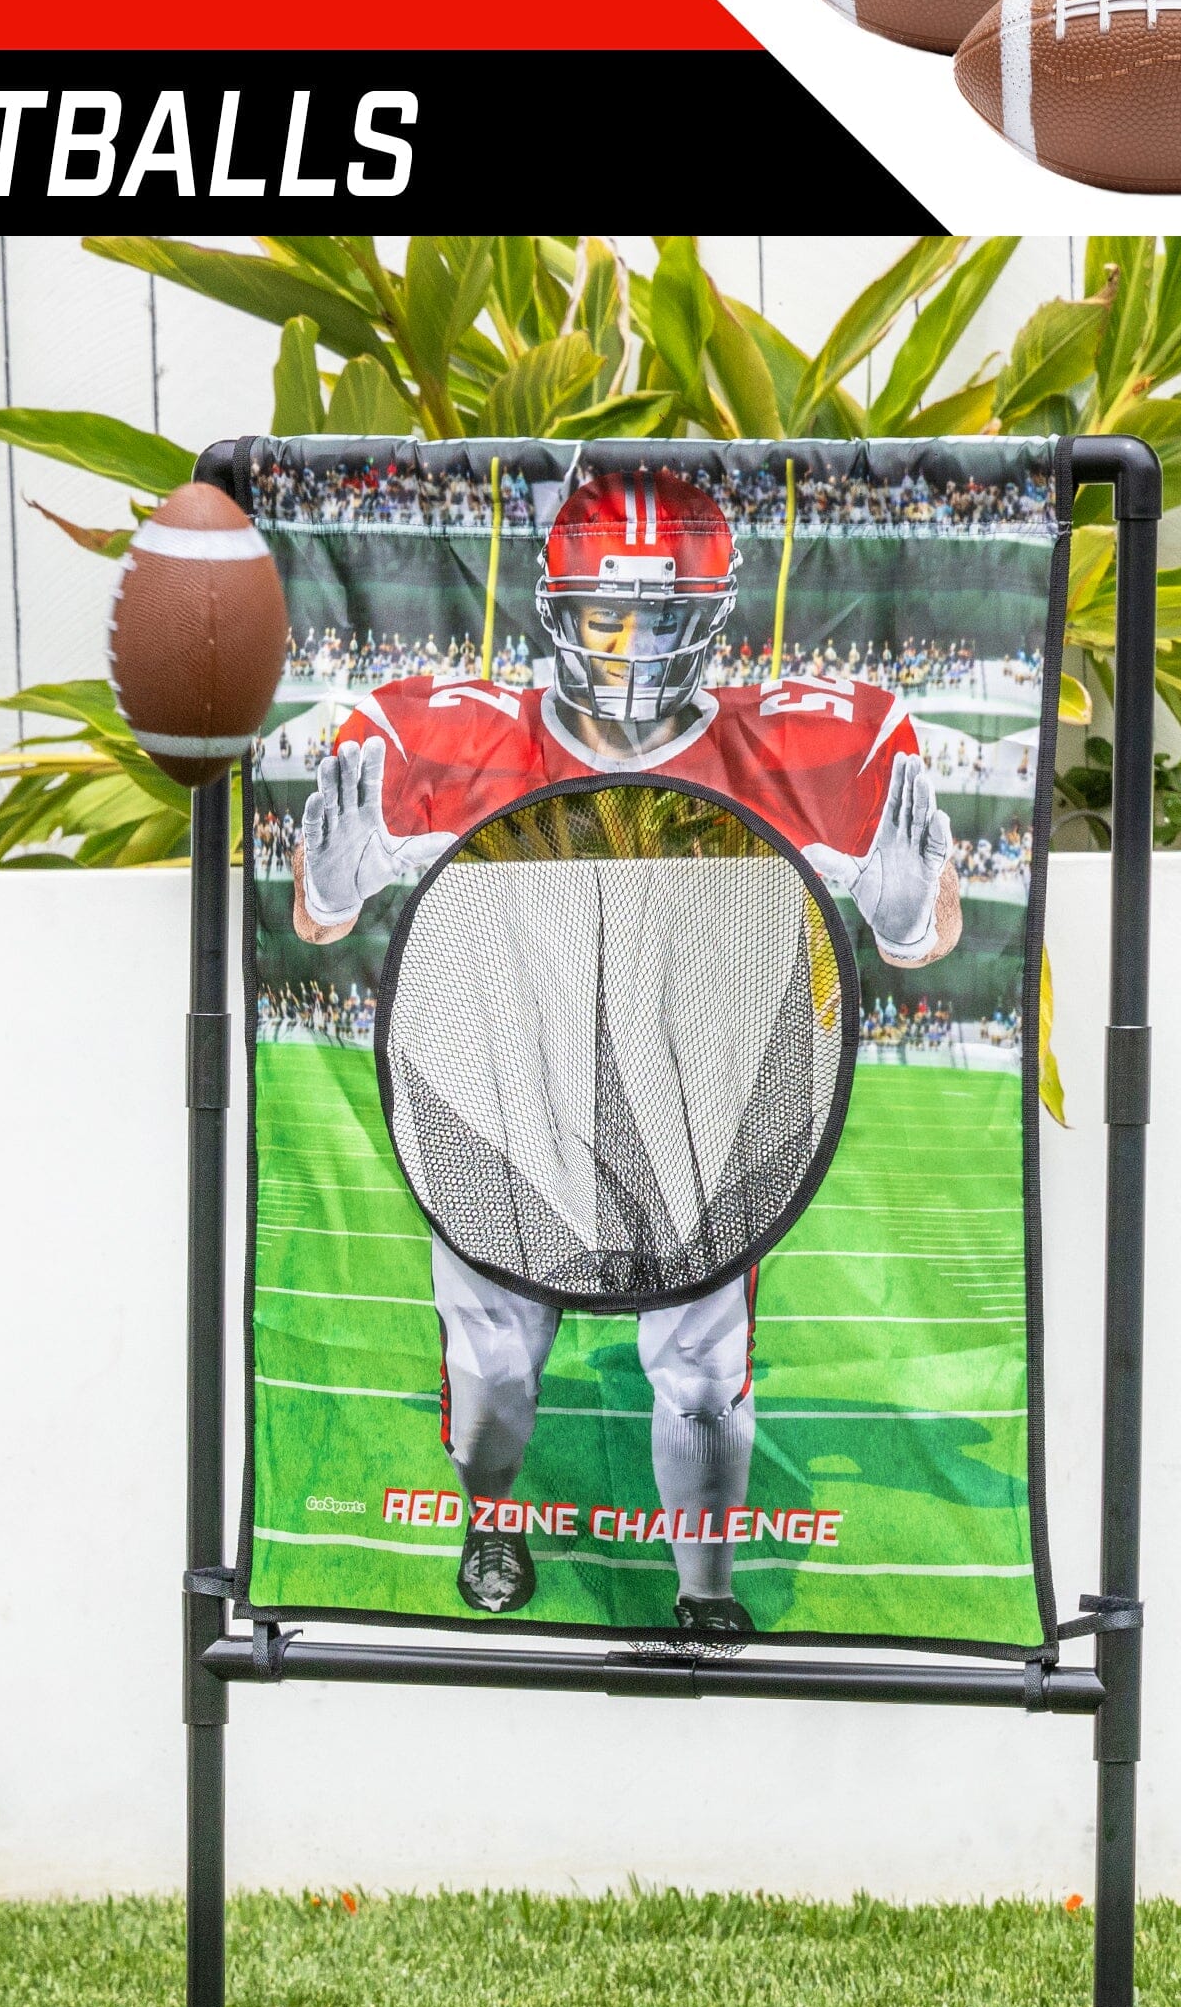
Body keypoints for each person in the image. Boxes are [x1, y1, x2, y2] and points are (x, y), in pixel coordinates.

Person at [289, 463, 957, 1638]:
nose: (632, 641)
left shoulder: (800, 748)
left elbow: (923, 937)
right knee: (494, 1372)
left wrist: (909, 914)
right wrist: (332, 882)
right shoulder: (444, 736)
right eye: (608, 610)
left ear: (712, 619)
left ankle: (705, 1597)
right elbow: (319, 919)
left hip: (697, 1117)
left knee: (701, 1378)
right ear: (558, 608)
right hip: (501, 1105)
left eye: (661, 615)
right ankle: (490, 1519)